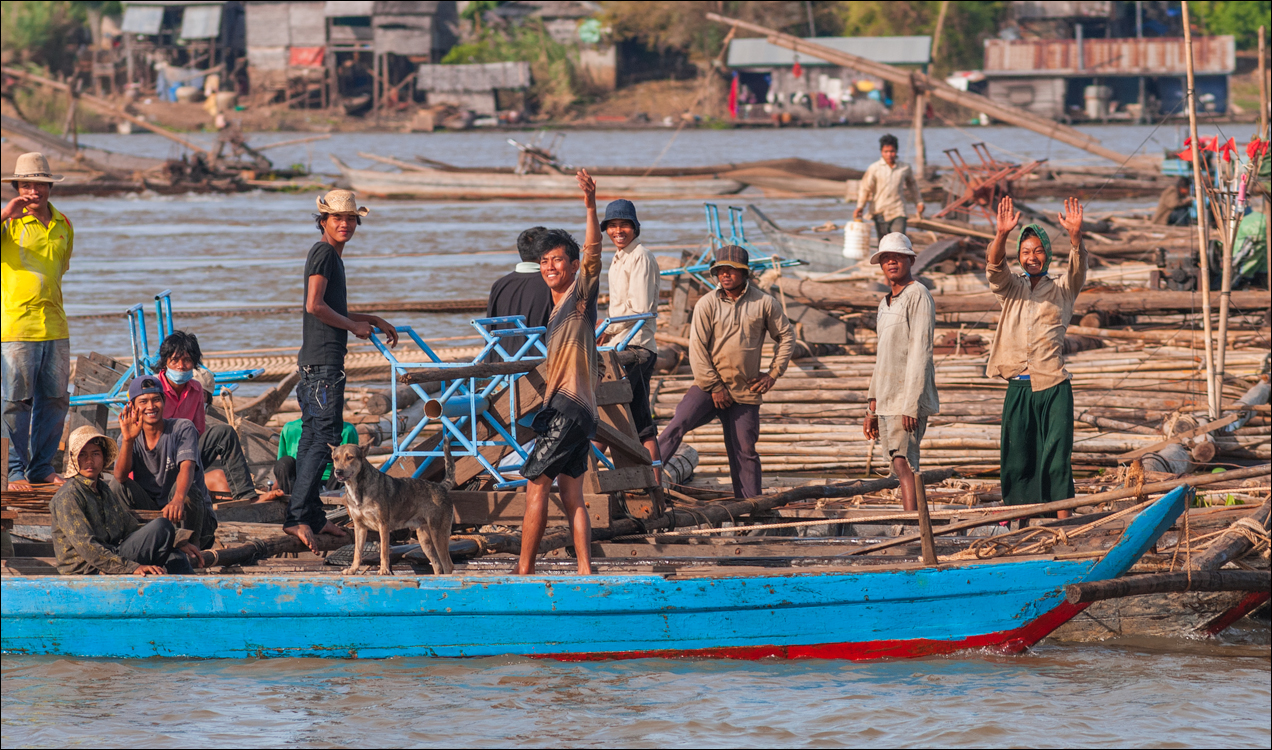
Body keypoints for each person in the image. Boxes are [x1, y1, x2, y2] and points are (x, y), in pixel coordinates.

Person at [287, 189, 398, 551]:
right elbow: (315, 305)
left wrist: (370, 319)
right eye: (337, 218)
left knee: (311, 440)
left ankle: (312, 514)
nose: (345, 224)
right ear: (323, 221)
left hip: (317, 364)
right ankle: (297, 518)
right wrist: (354, 327)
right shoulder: (323, 253)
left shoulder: (332, 256)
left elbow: (330, 308)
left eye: (350, 218)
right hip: (323, 366)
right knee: (323, 440)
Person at [656, 245, 794, 500]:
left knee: (744, 450)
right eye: (721, 270)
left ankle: (751, 507)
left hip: (745, 390)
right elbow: (696, 348)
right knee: (678, 424)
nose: (726, 275)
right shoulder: (707, 303)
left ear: (745, 273)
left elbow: (786, 336)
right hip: (708, 387)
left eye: (732, 270)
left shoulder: (764, 303)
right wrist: (715, 386)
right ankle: (645, 480)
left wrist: (773, 373)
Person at [517, 170, 603, 576]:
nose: (550, 266)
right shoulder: (553, 310)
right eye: (544, 261)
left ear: (573, 265)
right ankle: (585, 571)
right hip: (574, 411)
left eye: (558, 260)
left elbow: (593, 250)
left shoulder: (579, 295)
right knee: (572, 495)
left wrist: (589, 204)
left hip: (569, 409)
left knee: (535, 486)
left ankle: (523, 572)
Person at [987, 196, 1088, 518]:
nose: (1032, 257)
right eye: (1026, 252)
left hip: (1053, 385)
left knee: (1057, 458)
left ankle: (1063, 521)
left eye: (1038, 251)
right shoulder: (1011, 288)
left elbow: (1078, 266)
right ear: (1019, 257)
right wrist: (1001, 234)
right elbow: (994, 266)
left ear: (1047, 255)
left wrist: (1075, 236)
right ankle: (1022, 520)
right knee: (1017, 459)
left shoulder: (1063, 289)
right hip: (1018, 386)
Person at [2, 153, 73, 490]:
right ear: (16, 188)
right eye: (26, 184)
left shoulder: (64, 225)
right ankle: (14, 471)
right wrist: (5, 213)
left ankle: (42, 466)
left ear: (49, 187)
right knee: (16, 400)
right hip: (17, 325)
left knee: (56, 398)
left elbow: (61, 269)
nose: (33, 191)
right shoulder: (8, 223)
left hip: (55, 325)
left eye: (39, 184)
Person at [51, 425, 201, 575]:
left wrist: (177, 540)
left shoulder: (103, 490)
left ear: (103, 458)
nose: (89, 460)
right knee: (162, 526)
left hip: (112, 557)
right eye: (82, 455)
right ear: (74, 459)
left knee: (171, 547)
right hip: (90, 569)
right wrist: (132, 567)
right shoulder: (69, 495)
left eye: (95, 454)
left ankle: (192, 591)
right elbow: (87, 546)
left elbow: (130, 526)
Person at [863, 233, 939, 512]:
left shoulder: (918, 294)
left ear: (911, 260)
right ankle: (912, 522)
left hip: (906, 398)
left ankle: (913, 527)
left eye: (897, 257)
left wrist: (911, 404)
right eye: (885, 258)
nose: (891, 262)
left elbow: (921, 351)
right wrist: (872, 407)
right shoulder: (885, 304)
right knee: (897, 463)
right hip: (886, 397)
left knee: (904, 463)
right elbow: (882, 359)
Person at [153, 330, 263, 502]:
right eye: (174, 360)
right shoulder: (153, 389)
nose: (181, 366)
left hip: (185, 454)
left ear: (194, 364)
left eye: (187, 360)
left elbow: (197, 434)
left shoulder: (197, 390)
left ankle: (246, 496)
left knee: (224, 433)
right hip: (155, 456)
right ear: (165, 363)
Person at [113, 375, 219, 550]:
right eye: (143, 401)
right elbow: (120, 476)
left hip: (195, 519)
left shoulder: (182, 428)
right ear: (132, 406)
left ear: (163, 401)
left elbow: (187, 467)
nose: (150, 406)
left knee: (187, 490)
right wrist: (128, 440)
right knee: (117, 487)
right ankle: (137, 540)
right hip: (156, 518)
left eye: (156, 400)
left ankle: (192, 545)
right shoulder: (127, 438)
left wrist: (178, 499)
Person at [600, 198, 662, 482]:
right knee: (641, 423)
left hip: (634, 348)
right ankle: (655, 484)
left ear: (635, 227)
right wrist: (607, 331)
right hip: (620, 346)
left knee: (607, 418)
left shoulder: (641, 257)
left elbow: (640, 311)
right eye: (612, 226)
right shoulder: (618, 258)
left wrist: (607, 328)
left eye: (623, 225)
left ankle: (584, 477)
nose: (618, 231)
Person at [486, 226, 553, 356]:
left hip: (502, 365)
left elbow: (490, 329)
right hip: (539, 365)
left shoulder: (499, 285)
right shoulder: (552, 284)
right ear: (547, 253)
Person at [854, 133, 925, 240]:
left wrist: (919, 202)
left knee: (899, 241)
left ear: (896, 151)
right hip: (880, 210)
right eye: (886, 152)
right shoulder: (874, 168)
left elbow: (912, 185)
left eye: (892, 151)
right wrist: (860, 206)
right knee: (884, 244)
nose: (889, 155)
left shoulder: (904, 168)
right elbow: (865, 188)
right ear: (881, 152)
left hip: (898, 210)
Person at [274, 416, 358, 495]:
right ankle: (292, 501)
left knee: (342, 466)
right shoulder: (290, 428)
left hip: (331, 482)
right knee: (284, 462)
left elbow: (354, 466)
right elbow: (282, 469)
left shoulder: (346, 430)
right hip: (298, 484)